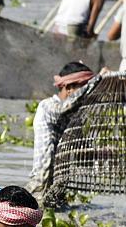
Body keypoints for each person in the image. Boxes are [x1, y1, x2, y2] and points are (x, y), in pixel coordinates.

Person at [28, 62, 97, 196]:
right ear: (69, 87)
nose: (89, 94)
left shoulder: (76, 117)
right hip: (41, 184)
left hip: (59, 187)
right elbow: (66, 107)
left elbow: (82, 154)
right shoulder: (47, 107)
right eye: (85, 88)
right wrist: (98, 79)